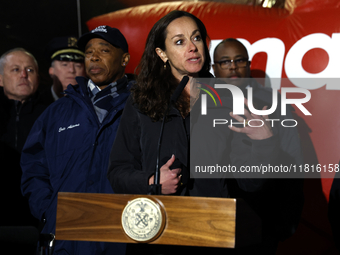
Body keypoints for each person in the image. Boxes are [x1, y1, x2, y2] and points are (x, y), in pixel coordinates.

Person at [107, 11, 280, 255]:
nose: (192, 48)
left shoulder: (229, 98)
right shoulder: (140, 101)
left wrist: (263, 144)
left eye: (196, 38)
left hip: (212, 233)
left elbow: (249, 183)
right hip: (155, 234)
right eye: (179, 41)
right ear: (162, 54)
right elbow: (118, 171)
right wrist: (150, 182)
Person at [21, 26, 132, 255]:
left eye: (104, 50)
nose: (94, 56)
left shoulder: (142, 108)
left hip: (123, 241)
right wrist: (48, 210)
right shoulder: (57, 112)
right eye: (89, 51)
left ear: (124, 59)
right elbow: (33, 166)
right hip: (65, 242)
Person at [213, 38, 304, 251]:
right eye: (225, 62)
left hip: (261, 223)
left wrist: (285, 221)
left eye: (239, 60)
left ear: (249, 63)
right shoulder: (200, 102)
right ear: (214, 68)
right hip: (210, 219)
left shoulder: (273, 103)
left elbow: (294, 162)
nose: (233, 66)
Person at [0, 48, 48, 253]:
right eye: (15, 69)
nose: (23, 75)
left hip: (36, 214)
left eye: (30, 69)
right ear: (0, 79)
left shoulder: (53, 113)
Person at [43, 36, 86, 102]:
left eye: (78, 66)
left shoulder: (95, 104)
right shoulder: (38, 105)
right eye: (65, 65)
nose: (72, 70)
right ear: (51, 70)